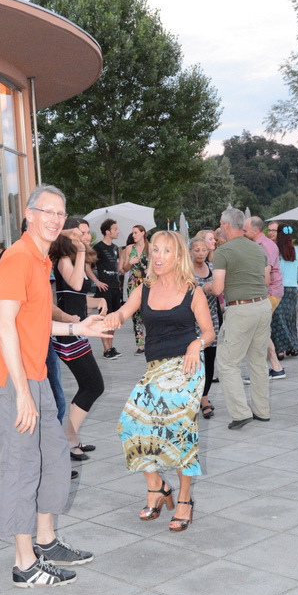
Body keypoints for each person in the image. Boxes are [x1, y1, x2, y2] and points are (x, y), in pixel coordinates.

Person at [0, 184, 109, 587]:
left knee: (54, 458)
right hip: (13, 378)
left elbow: (34, 322)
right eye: (46, 211)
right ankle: (24, 564)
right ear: (29, 215)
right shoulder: (18, 258)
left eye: (60, 213)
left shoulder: (40, 259)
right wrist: (22, 393)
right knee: (22, 467)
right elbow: (4, 326)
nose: (54, 219)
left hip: (35, 374)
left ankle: (47, 541)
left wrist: (78, 327)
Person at [104, 231, 214, 532]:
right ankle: (157, 486)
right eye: (155, 250)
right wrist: (111, 318)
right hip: (156, 368)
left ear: (177, 256)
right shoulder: (144, 288)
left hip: (188, 365)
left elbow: (208, 332)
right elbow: (122, 313)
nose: (159, 256)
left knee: (180, 430)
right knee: (129, 423)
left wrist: (196, 344)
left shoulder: (193, 291)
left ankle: (185, 499)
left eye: (166, 251)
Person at [50, 217, 106, 461]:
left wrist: (98, 301)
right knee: (93, 385)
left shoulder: (74, 258)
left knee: (90, 385)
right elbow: (74, 284)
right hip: (67, 334)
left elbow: (76, 296)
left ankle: (71, 436)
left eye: (87, 233)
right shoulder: (64, 258)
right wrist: (82, 251)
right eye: (80, 233)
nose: (85, 237)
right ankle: (69, 438)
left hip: (77, 331)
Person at [211, 208, 272, 429]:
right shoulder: (258, 248)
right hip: (263, 306)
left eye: (221, 224)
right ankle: (262, 411)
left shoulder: (223, 251)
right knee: (258, 361)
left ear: (227, 225)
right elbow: (266, 281)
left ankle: (240, 413)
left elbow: (217, 289)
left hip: (240, 309)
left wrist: (206, 288)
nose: (220, 227)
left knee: (228, 362)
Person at [243, 217, 286, 379]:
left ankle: (260, 371)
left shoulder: (265, 246)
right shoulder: (260, 244)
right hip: (269, 292)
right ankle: (276, 367)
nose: (243, 233)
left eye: (245, 230)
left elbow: (265, 275)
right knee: (260, 330)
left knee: (257, 331)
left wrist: (255, 293)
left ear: (255, 231)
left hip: (269, 292)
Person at [190, 236, 220, 418]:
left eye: (204, 250)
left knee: (209, 361)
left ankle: (205, 398)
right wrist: (202, 290)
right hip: (191, 322)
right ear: (190, 252)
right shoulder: (185, 271)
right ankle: (193, 398)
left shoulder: (213, 268)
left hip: (211, 320)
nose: (201, 253)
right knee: (194, 362)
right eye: (197, 250)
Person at [93, 218, 122, 359]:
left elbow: (119, 267)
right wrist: (96, 281)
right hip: (104, 289)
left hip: (115, 287)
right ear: (107, 232)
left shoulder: (116, 248)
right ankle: (106, 350)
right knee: (104, 319)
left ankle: (111, 347)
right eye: (115, 229)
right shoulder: (97, 248)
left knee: (113, 319)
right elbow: (87, 266)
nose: (118, 232)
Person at [270, 225, 298, 359]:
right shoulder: (295, 250)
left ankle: (280, 348)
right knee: (290, 318)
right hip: (293, 288)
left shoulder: (275, 251)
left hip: (279, 287)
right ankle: (293, 346)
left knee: (277, 319)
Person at [120, 225, 149, 354]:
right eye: (132, 233)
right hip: (134, 283)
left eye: (136, 232)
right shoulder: (129, 248)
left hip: (148, 283)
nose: (133, 235)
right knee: (136, 314)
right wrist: (130, 263)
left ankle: (152, 340)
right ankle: (140, 345)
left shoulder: (151, 247)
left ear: (143, 233)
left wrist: (152, 270)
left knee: (149, 311)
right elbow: (125, 269)